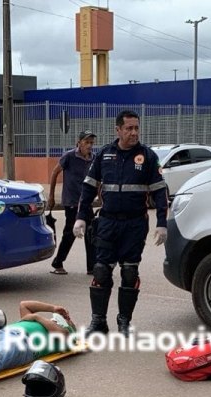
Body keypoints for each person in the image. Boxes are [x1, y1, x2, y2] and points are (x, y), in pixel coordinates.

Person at [73, 110, 169, 334]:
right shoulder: (104, 154)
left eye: (136, 128)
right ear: (118, 130)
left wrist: (162, 223)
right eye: (129, 128)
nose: (134, 132)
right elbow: (88, 187)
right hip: (107, 223)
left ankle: (124, 321)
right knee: (101, 271)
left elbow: (159, 191)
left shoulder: (148, 157)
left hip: (135, 225)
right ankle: (98, 322)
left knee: (129, 273)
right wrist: (80, 217)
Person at [46, 130, 97, 275]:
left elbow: (97, 179)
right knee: (70, 233)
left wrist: (100, 196)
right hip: (72, 202)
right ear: (79, 143)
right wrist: (51, 196)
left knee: (91, 232)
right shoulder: (69, 156)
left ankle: (91, 266)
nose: (89, 145)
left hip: (86, 202)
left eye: (91, 143)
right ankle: (58, 263)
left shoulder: (93, 158)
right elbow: (55, 173)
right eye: (86, 142)